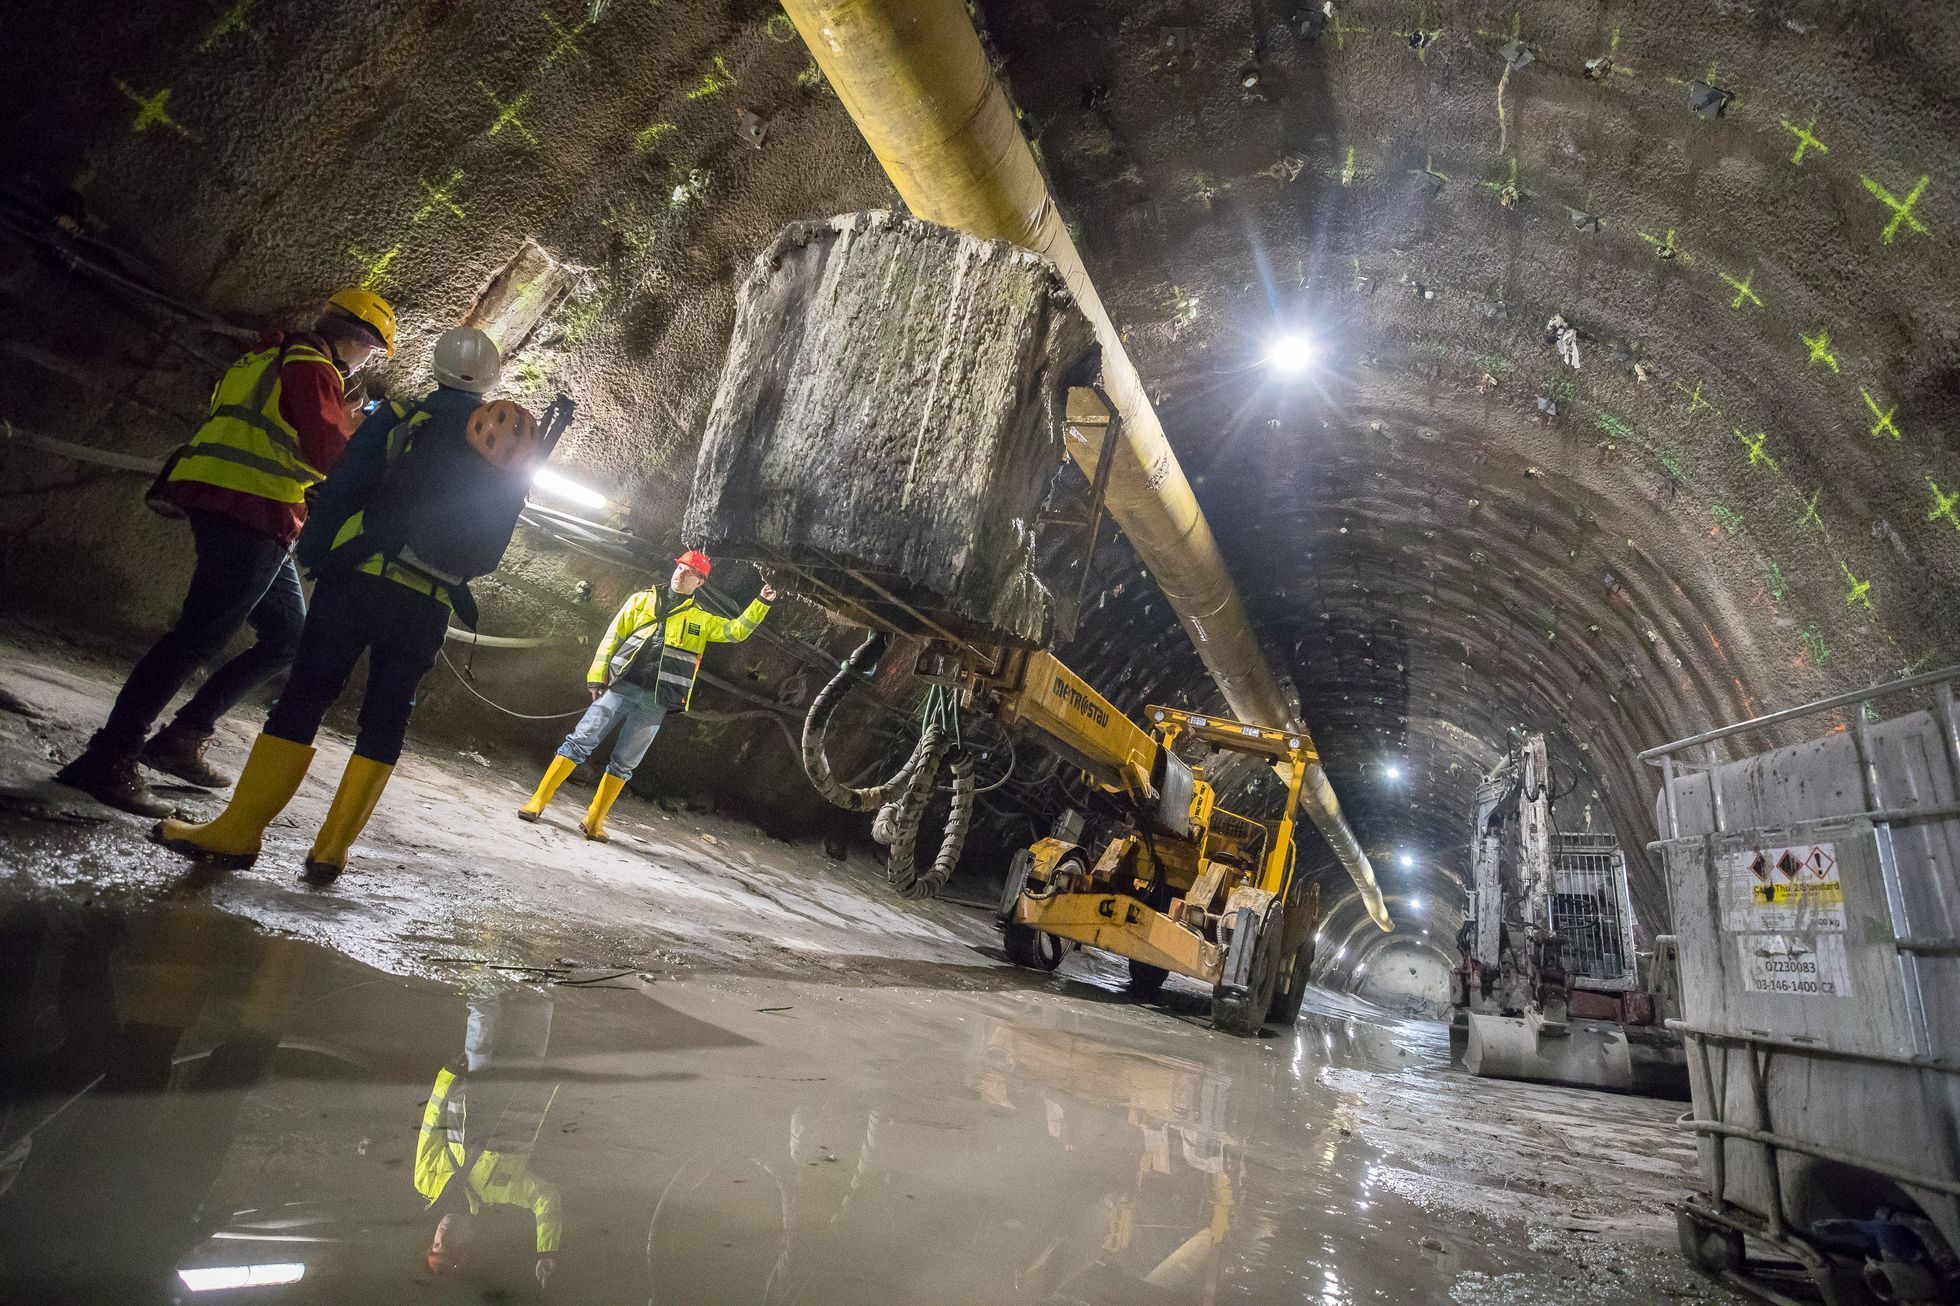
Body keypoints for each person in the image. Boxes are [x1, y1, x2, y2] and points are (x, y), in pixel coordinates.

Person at [152, 326, 533, 884]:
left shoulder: (404, 417)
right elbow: (491, 549)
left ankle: (238, 833)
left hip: (361, 581)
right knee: (386, 719)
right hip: (429, 605)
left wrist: (318, 552)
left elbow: (345, 485)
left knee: (305, 698)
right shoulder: (513, 449)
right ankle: (331, 851)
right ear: (492, 379)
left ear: (437, 367)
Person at [55, 288, 397, 816]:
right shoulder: (312, 367)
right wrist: (358, 433)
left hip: (239, 503)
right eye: (373, 348)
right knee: (194, 638)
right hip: (249, 509)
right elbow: (330, 453)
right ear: (359, 338)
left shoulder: (265, 355)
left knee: (288, 636)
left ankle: (181, 738)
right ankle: (109, 757)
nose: (368, 359)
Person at [517, 553, 774, 841]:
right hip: (620, 687)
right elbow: (612, 637)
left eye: (688, 572)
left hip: (656, 701)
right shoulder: (642, 600)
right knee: (579, 741)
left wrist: (761, 602)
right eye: (679, 568)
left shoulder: (700, 620)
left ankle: (594, 820)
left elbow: (734, 631)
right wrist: (596, 676)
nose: (680, 573)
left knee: (625, 763)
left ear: (700, 582)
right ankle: (538, 801)